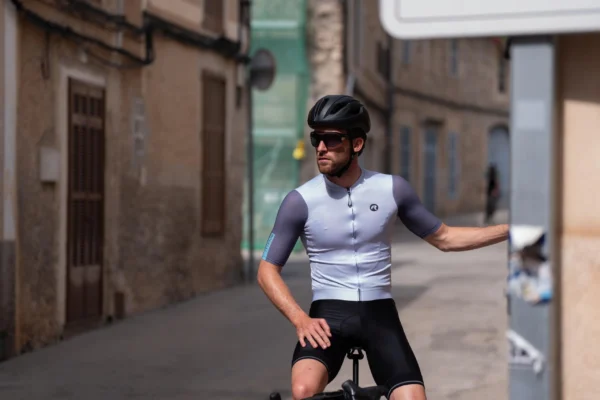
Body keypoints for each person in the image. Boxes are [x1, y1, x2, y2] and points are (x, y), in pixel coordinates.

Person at [256, 95, 509, 400]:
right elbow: (267, 271)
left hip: (380, 314)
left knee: (413, 398)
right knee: (303, 391)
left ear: (357, 144)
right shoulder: (299, 201)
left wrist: (511, 231)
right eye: (316, 139)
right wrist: (300, 319)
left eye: (332, 139)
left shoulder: (392, 188)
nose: (321, 147)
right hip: (328, 313)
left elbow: (445, 238)